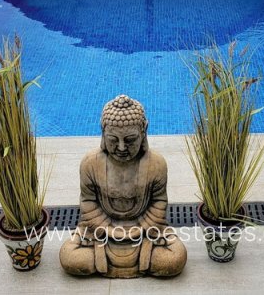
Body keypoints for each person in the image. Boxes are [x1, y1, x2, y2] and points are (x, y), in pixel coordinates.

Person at [59, 95, 187, 278]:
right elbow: (88, 202)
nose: (120, 147)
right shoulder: (90, 164)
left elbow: (159, 202)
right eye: (113, 139)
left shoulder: (156, 164)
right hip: (100, 231)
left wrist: (143, 227)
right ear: (103, 133)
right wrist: (105, 228)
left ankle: (135, 258)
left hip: (145, 231)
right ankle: (118, 260)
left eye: (130, 140)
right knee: (70, 257)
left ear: (144, 131)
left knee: (176, 258)